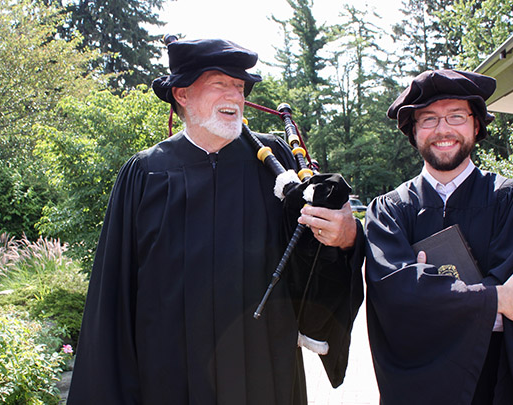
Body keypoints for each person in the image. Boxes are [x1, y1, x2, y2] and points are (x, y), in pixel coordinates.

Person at [67, 38, 365, 404]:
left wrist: (346, 236)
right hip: (170, 375)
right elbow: (113, 294)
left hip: (264, 369)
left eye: (239, 87)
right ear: (182, 94)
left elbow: (314, 258)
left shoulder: (272, 163)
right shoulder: (145, 174)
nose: (234, 97)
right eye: (219, 84)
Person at [363, 69, 513, 405]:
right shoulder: (389, 212)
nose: (443, 130)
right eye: (428, 119)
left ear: (476, 125)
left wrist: (429, 294)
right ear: (413, 131)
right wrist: (498, 299)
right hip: (416, 390)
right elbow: (396, 300)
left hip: (492, 386)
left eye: (456, 116)